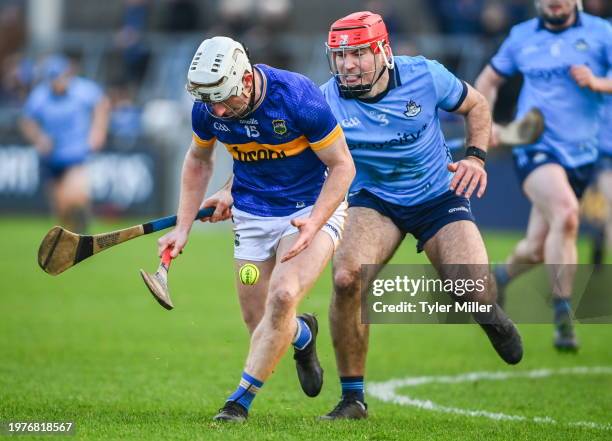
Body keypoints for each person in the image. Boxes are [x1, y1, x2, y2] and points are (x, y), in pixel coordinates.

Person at [318, 11, 523, 420]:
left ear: (382, 52)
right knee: (345, 279)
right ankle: (352, 398)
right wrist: (237, 190)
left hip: (437, 196)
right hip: (375, 199)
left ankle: (490, 315)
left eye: (358, 54)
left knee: (472, 293)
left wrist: (476, 159)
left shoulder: (424, 76)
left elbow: (477, 105)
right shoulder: (326, 99)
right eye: (340, 56)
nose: (347, 65)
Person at [156, 36, 355, 422]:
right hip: (252, 214)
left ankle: (238, 403)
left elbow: (343, 166)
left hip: (310, 209)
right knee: (260, 323)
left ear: (245, 80)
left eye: (223, 98)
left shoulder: (298, 97)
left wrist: (316, 222)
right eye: (208, 100)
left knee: (282, 296)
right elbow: (198, 161)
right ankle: (303, 335)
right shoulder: (209, 108)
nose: (216, 109)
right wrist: (184, 227)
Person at [475, 0, 612, 352]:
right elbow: (488, 81)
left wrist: (598, 82)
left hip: (583, 154)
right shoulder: (521, 37)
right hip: (534, 144)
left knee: (538, 247)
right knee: (566, 214)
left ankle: (499, 277)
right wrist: (484, 121)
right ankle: (563, 316)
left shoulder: (601, 33)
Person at [20, 54, 110, 233]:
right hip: (51, 156)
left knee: (77, 195)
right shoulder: (40, 96)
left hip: (75, 153)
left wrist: (98, 131)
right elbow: (26, 121)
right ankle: (70, 236)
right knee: (60, 207)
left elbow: (102, 103)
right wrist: (39, 138)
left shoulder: (82, 90)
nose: (59, 82)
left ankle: (82, 225)